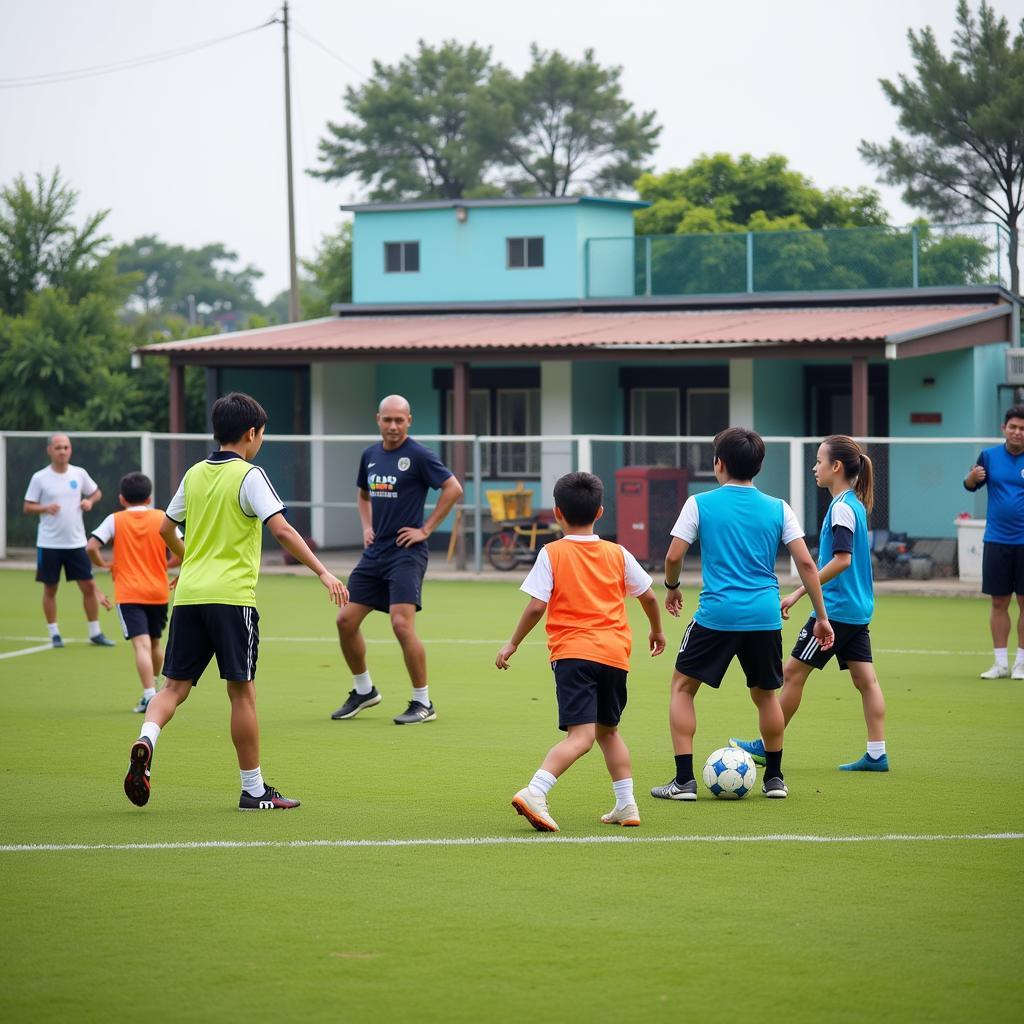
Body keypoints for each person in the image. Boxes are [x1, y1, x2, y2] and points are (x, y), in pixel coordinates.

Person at [123, 392, 347, 811]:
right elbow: (280, 530)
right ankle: (253, 789)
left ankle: (146, 738)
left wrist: (192, 559)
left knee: (172, 688)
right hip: (231, 599)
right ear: (252, 433)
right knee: (241, 695)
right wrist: (322, 571)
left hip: (189, 595)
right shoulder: (249, 475)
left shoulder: (194, 474)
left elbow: (166, 529)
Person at [652, 427, 833, 802]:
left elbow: (672, 556)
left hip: (716, 615)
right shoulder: (779, 507)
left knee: (682, 688)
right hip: (764, 616)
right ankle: (775, 780)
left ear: (718, 463)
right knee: (766, 695)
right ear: (759, 466)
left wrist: (671, 587)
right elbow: (805, 563)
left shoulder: (699, 503)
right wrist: (821, 615)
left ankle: (684, 781)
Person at [495, 471, 666, 832]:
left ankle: (535, 791)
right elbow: (649, 595)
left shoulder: (551, 553)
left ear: (557, 513)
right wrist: (656, 629)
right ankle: (627, 804)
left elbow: (536, 606)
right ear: (601, 512)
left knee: (581, 736)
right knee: (609, 731)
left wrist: (512, 643)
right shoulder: (618, 553)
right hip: (614, 656)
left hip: (574, 655)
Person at [731, 435, 888, 772]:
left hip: (837, 610)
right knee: (866, 680)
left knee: (791, 672)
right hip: (857, 609)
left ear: (836, 467)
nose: (814, 468)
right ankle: (877, 753)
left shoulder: (843, 508)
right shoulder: (854, 504)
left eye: (819, 461)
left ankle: (765, 745)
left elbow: (842, 560)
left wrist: (802, 592)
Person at [331, 394, 463, 725]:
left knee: (401, 624)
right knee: (345, 621)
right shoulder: (370, 455)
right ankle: (364, 690)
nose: (393, 426)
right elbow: (363, 496)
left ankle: (423, 702)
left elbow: (453, 488)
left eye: (399, 420)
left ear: (409, 421)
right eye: (387, 419)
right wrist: (366, 526)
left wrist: (427, 529)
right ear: (378, 419)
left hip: (407, 553)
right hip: (376, 553)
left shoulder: (418, 455)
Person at [87, 472, 181, 713]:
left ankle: (149, 695)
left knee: (141, 645)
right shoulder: (161, 517)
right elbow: (184, 551)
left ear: (121, 498)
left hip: (129, 592)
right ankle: (155, 688)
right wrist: (170, 568)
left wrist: (103, 564)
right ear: (149, 498)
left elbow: (92, 546)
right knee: (155, 643)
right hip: (157, 591)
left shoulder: (114, 520)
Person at [23, 433, 114, 648]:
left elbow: (96, 493)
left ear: (70, 450)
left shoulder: (79, 473)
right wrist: (45, 507)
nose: (62, 451)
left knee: (89, 588)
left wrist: (89, 502)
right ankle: (54, 633)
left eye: (66, 447)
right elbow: (27, 507)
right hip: (49, 544)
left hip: (76, 543)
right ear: (50, 451)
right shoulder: (39, 478)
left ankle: (95, 632)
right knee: (50, 590)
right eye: (58, 447)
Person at [964, 405, 1024, 680]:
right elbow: (970, 484)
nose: (1017, 432)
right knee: (999, 602)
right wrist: (971, 478)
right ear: (1004, 428)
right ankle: (1000, 663)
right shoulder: (988, 457)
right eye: (1013, 427)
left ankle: (1020, 663)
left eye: (1022, 429)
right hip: (997, 540)